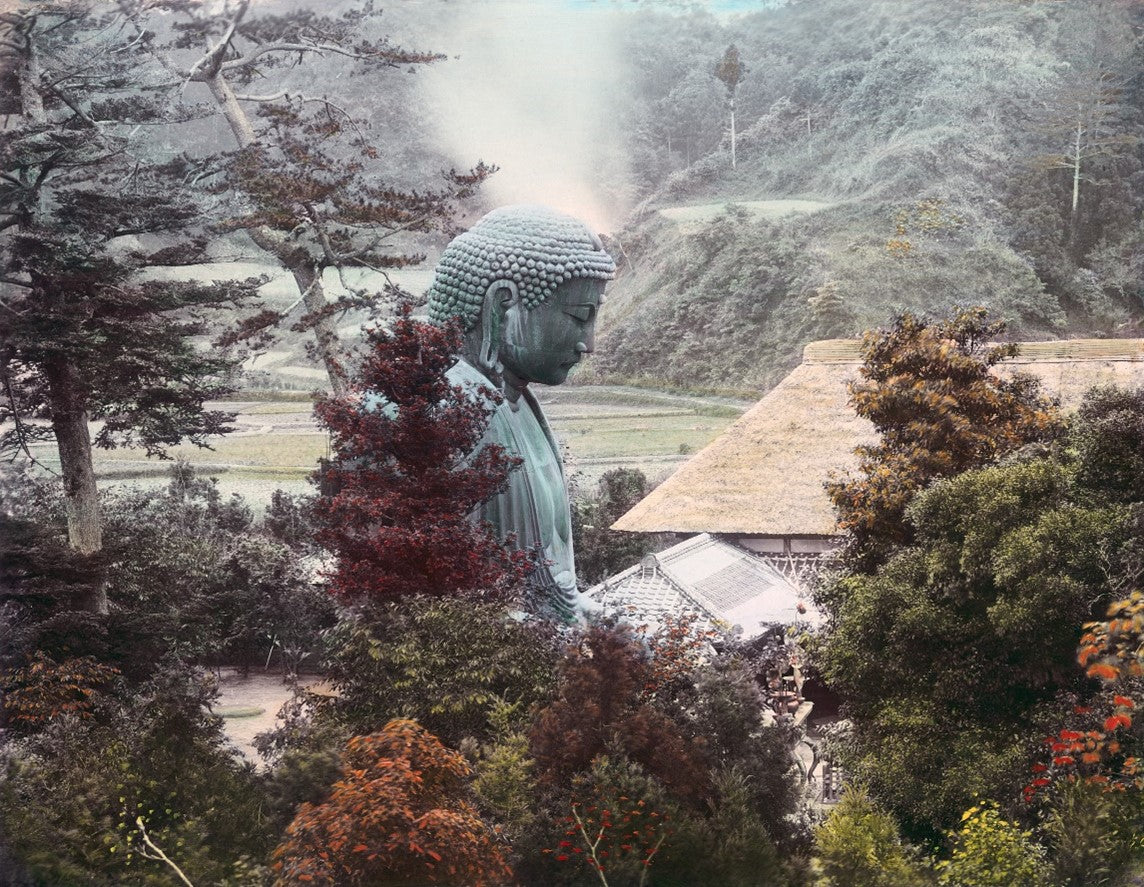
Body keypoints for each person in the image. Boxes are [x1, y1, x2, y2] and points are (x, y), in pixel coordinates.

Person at [426, 204, 616, 614]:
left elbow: (551, 580)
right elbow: (438, 604)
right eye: (580, 317)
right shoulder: (435, 407)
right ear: (503, 306)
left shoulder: (516, 401)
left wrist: (581, 616)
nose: (590, 343)